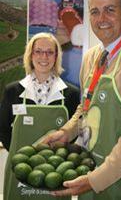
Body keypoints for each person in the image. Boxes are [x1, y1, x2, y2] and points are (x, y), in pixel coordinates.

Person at [43, 0, 121, 200]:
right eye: (95, 11)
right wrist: (67, 132)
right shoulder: (91, 57)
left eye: (110, 10)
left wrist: (96, 179)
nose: (101, 18)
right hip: (90, 166)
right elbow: (85, 107)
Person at [0, 32, 80, 200]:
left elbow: (73, 131)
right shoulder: (12, 91)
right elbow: (3, 128)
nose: (44, 56)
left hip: (55, 172)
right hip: (20, 170)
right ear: (30, 55)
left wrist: (54, 157)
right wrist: (20, 157)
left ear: (56, 56)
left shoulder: (71, 93)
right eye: (38, 51)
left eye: (50, 52)